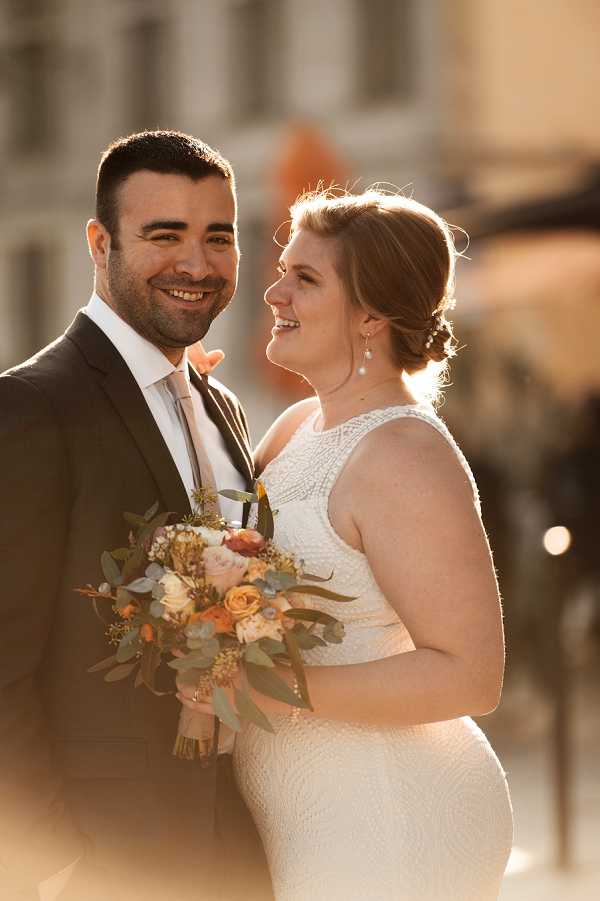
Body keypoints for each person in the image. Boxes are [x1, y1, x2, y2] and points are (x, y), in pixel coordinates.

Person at [182, 188, 513, 900]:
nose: (273, 291)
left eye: (305, 278)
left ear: (370, 315)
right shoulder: (299, 424)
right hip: (302, 814)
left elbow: (471, 675)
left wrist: (269, 688)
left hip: (387, 818)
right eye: (282, 270)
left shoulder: (404, 453)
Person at [0, 131, 272, 901]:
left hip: (235, 843)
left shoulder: (225, 410)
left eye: (218, 237)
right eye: (165, 236)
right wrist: (48, 868)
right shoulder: (29, 407)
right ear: (99, 241)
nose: (196, 264)